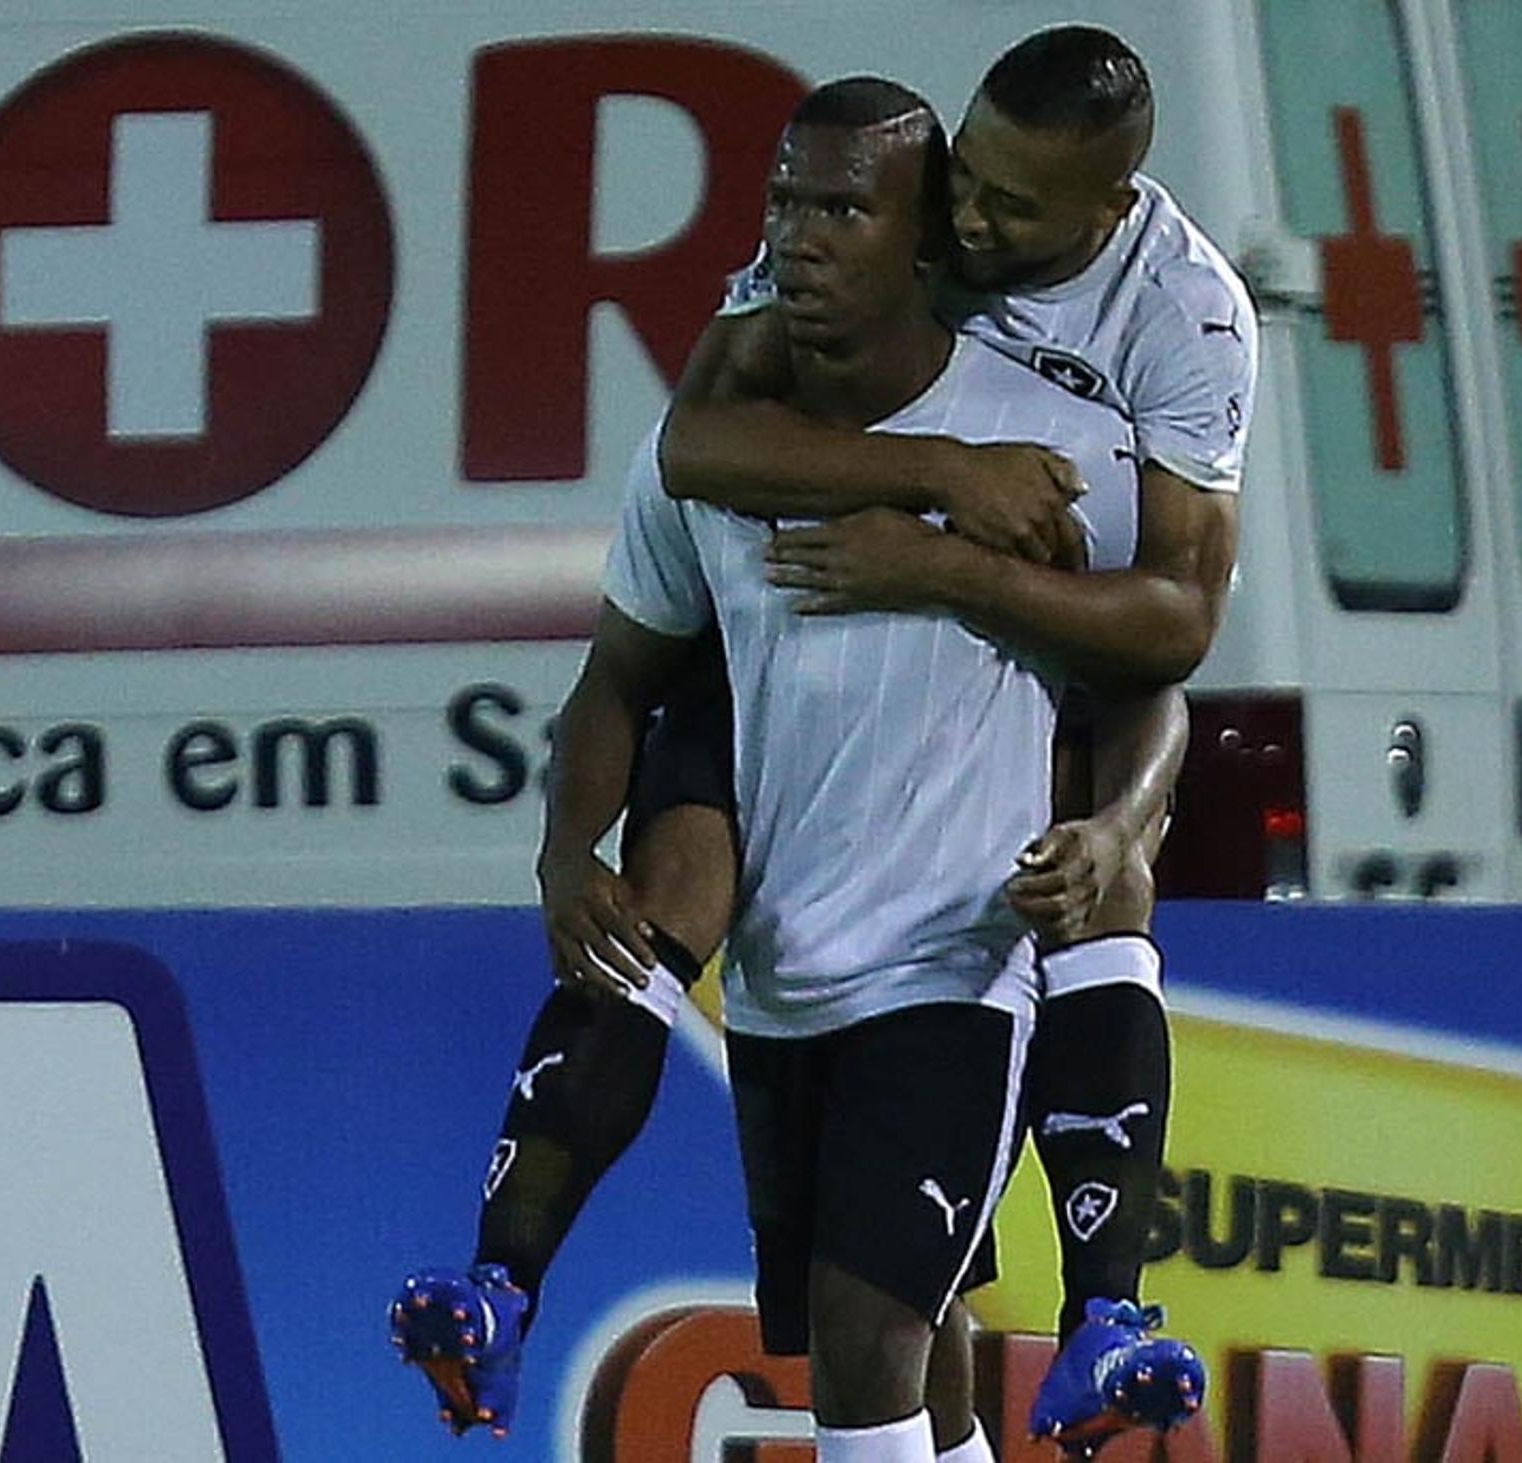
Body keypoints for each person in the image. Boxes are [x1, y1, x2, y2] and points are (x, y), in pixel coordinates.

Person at [395, 77, 1177, 1462]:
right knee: (923, 1364)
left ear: (923, 238)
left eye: (845, 207)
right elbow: (621, 678)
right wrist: (567, 852)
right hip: (781, 983)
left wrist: (1117, 830)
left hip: (954, 967)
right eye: (786, 201)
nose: (800, 237)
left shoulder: (1049, 444)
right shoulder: (705, 460)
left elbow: (1147, 681)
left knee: (862, 1345)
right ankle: (505, 1271)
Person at [660, 23, 1254, 1450]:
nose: (970, 223)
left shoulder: (1188, 316)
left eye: (1013, 208)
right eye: (968, 182)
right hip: (863, 710)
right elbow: (698, 436)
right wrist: (939, 475)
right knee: (903, 1298)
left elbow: (1174, 623)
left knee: (1108, 842)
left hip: (1049, 670)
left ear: (1110, 211)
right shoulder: (911, 203)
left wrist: (947, 564)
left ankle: (1112, 1301)